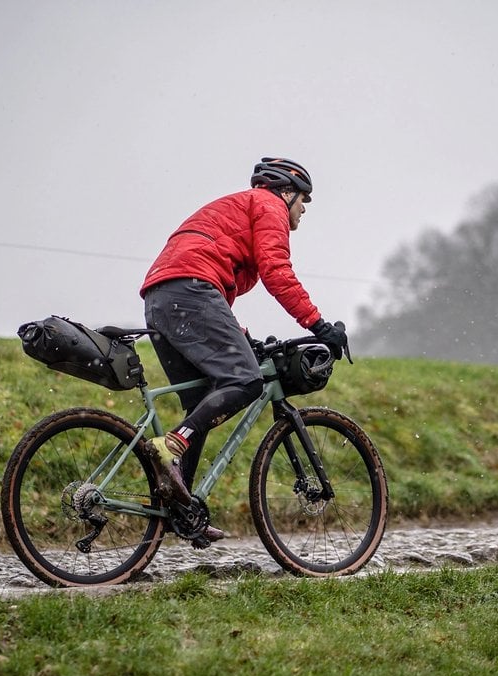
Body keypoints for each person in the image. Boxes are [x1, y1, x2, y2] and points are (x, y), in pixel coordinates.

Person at [140, 157, 348, 545]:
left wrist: (241, 336)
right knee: (247, 382)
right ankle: (171, 445)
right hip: (190, 288)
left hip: (162, 296)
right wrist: (318, 324)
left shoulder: (242, 211)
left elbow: (214, 295)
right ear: (287, 192)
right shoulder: (268, 205)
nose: (303, 210)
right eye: (304, 200)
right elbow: (277, 271)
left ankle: (181, 510)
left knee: (203, 400)